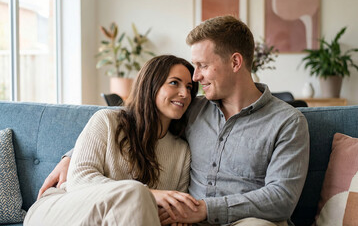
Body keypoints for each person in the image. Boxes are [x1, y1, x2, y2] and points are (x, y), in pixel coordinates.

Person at [38, 16, 310, 226]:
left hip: (242, 220)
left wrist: (203, 210)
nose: (195, 80)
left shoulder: (287, 122)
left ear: (236, 62)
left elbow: (281, 199)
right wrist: (71, 157)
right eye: (192, 72)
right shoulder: (193, 110)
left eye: (202, 66)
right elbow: (137, 119)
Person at [24, 55, 199, 226]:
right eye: (174, 83)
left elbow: (174, 207)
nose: (185, 93)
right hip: (61, 209)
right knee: (137, 193)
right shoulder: (107, 120)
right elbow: (78, 180)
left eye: (189, 87)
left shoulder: (181, 151)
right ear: (150, 85)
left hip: (116, 219)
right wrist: (149, 194)